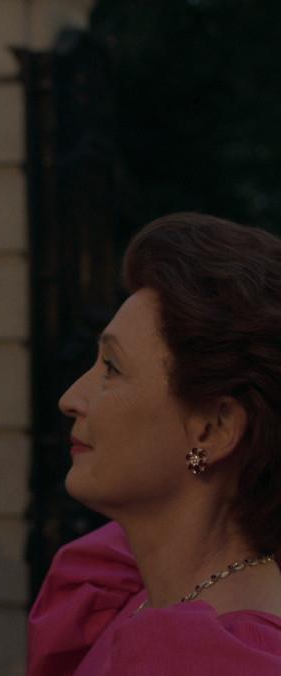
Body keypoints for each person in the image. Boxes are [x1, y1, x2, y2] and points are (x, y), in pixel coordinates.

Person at [28, 213, 281, 674]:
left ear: (214, 429)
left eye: (112, 368)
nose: (70, 399)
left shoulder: (229, 661)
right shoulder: (122, 590)